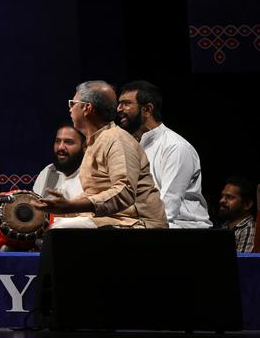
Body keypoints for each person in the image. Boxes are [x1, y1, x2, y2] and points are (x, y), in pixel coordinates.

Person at [36, 80, 168, 228]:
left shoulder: (116, 139)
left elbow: (124, 191)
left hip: (139, 223)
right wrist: (55, 210)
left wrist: (71, 206)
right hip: (113, 219)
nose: (70, 109)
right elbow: (94, 193)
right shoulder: (94, 142)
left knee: (61, 229)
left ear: (87, 108)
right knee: (53, 224)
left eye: (72, 103)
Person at [117, 80, 211, 228]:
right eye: (119, 103)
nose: (119, 109)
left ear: (147, 110)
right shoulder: (133, 147)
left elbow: (166, 210)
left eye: (126, 103)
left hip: (185, 229)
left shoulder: (175, 147)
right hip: (148, 223)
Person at [32, 122, 84, 199]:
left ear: (85, 146)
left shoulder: (93, 176)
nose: (60, 147)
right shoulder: (48, 171)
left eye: (68, 142)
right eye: (58, 141)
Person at [216, 175, 257, 253]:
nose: (222, 200)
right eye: (222, 196)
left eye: (229, 197)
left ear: (247, 204)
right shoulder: (224, 226)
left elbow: (242, 263)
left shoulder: (248, 229)